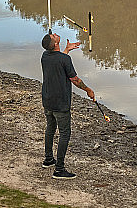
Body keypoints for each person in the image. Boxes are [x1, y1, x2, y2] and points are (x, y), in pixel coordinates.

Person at [40, 32, 94, 179]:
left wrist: (67, 50)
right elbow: (75, 79)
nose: (55, 34)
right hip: (60, 103)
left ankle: (48, 159)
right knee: (65, 134)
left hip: (47, 100)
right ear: (56, 44)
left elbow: (58, 61)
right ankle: (59, 169)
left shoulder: (45, 56)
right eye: (54, 36)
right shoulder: (65, 59)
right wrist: (88, 90)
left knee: (50, 128)